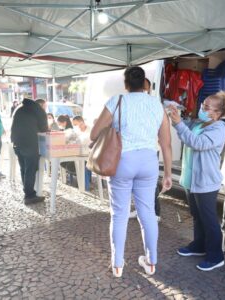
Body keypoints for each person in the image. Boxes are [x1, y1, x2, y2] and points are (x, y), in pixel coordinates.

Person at [91, 66, 172, 278]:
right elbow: (166, 143)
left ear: (126, 84)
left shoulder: (116, 101)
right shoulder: (157, 105)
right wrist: (169, 174)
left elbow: (93, 134)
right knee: (147, 214)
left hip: (122, 161)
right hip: (148, 161)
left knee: (119, 214)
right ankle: (151, 262)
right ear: (145, 83)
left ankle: (117, 265)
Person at [168, 91, 225, 272]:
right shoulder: (201, 123)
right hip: (192, 179)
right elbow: (187, 135)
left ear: (218, 113)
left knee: (208, 220)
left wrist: (179, 124)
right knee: (197, 215)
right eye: (202, 105)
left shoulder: (218, 129)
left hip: (206, 182)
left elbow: (198, 143)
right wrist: (179, 120)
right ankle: (199, 246)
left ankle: (216, 256)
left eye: (207, 107)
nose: (202, 108)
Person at [129, 77, 162, 221]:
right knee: (136, 182)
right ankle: (139, 209)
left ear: (147, 89)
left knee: (151, 184)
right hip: (133, 150)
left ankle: (155, 213)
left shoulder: (153, 105)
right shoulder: (130, 104)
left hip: (150, 149)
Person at [11, 98, 48, 205]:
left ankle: (27, 192)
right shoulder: (39, 111)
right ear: (40, 105)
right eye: (44, 106)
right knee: (30, 169)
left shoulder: (20, 108)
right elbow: (44, 129)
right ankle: (29, 195)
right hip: (30, 143)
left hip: (17, 143)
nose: (45, 108)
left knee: (24, 168)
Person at [72, 116, 92, 191]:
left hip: (90, 153)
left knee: (82, 164)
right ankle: (82, 184)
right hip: (80, 153)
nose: (76, 126)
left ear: (82, 122)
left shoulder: (91, 130)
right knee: (77, 162)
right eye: (75, 125)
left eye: (76, 124)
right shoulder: (77, 131)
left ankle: (85, 187)